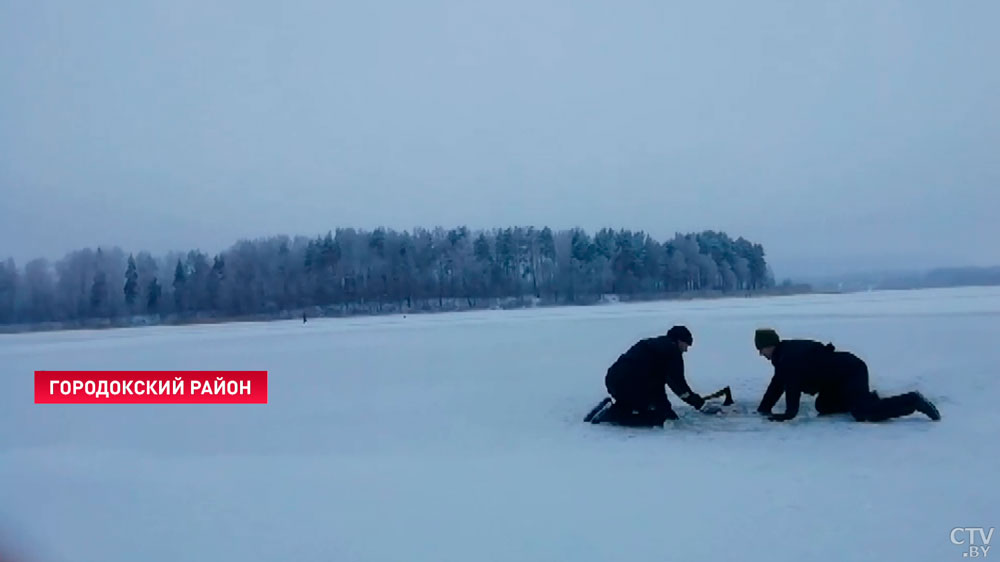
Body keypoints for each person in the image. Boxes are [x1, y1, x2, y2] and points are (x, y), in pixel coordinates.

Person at [752, 328, 940, 422]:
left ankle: (913, 401)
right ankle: (865, 398)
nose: (761, 354)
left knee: (862, 413)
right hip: (835, 380)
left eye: (761, 349)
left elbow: (791, 389)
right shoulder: (784, 354)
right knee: (823, 406)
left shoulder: (788, 358)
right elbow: (778, 383)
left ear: (769, 345)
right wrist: (764, 408)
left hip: (850, 371)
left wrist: (786, 416)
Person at [592, 325, 710, 427]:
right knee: (662, 418)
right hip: (629, 385)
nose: (686, 350)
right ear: (679, 340)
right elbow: (678, 385)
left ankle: (618, 408)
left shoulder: (653, 344)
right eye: (686, 344)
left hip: (613, 380)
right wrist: (698, 403)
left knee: (646, 404)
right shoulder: (672, 352)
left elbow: (657, 383)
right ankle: (613, 415)